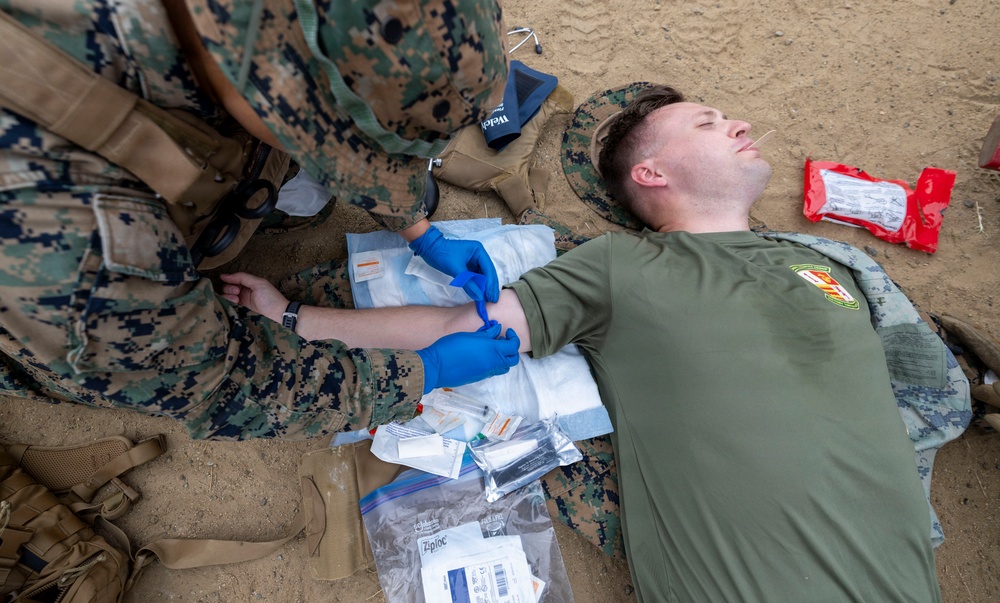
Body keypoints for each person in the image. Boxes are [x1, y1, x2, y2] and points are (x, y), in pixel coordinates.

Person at [223, 83, 971, 602]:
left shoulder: (829, 264)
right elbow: (459, 326)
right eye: (708, 123)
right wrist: (295, 316)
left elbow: (925, 390)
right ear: (651, 173)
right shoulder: (620, 268)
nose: (740, 124)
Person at [0, 0, 521, 440]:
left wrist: (419, 232)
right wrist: (421, 372)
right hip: (47, 286)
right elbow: (221, 386)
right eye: (330, 143)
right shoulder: (71, 234)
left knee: (302, 188)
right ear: (249, 78)